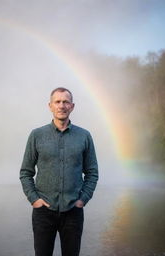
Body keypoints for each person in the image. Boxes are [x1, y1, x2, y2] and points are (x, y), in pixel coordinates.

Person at [20, 87, 99, 256]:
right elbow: (26, 172)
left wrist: (82, 200)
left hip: (73, 212)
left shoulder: (84, 136)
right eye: (57, 102)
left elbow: (92, 173)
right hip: (43, 213)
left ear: (72, 106)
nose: (61, 105)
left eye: (66, 102)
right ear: (50, 106)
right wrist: (34, 200)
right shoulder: (37, 135)